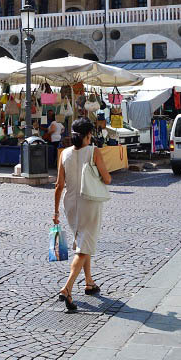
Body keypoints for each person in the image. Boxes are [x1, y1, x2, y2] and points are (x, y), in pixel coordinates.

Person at [53, 117, 112, 311]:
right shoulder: (93, 151)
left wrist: (55, 212)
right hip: (89, 201)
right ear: (89, 135)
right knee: (84, 246)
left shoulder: (64, 153)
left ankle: (89, 281)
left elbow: (59, 185)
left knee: (83, 241)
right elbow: (107, 179)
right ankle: (67, 288)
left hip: (69, 203)